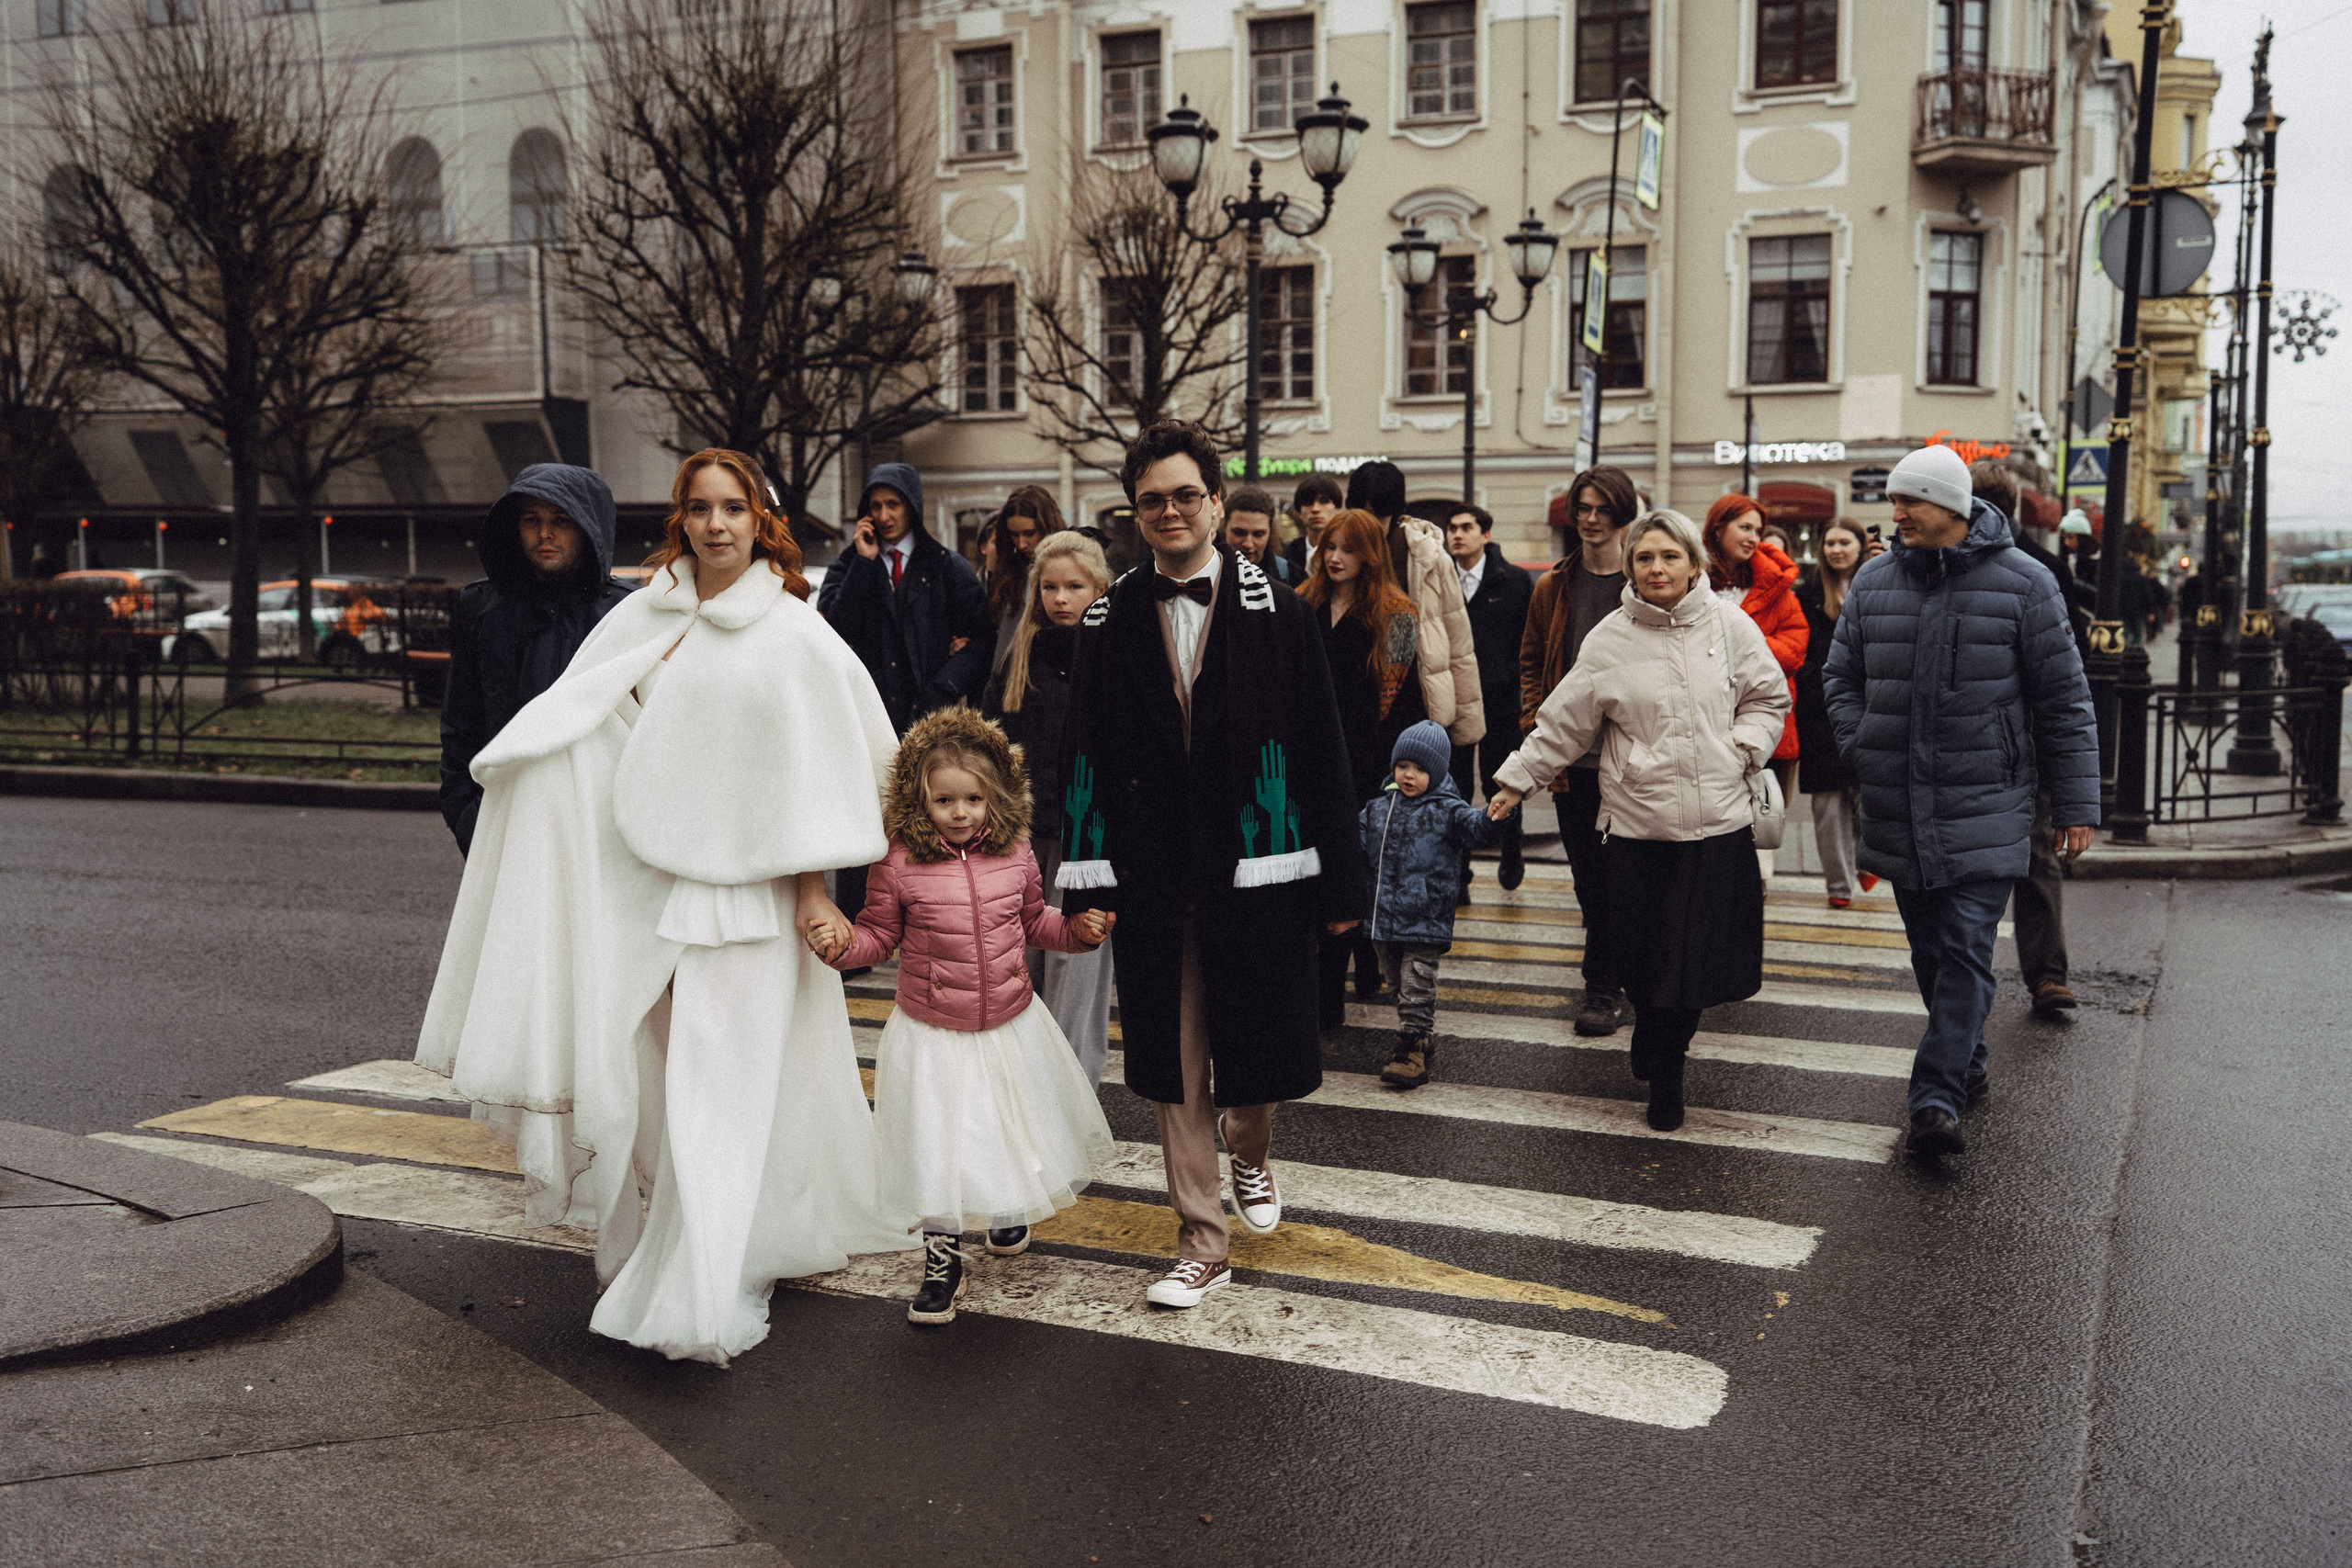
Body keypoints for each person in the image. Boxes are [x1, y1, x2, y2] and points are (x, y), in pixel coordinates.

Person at [416, 448, 912, 1364]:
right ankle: (703, 1237)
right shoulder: (639, 618)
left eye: (733, 508)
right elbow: (582, 728)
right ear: (678, 518)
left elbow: (835, 770)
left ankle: (711, 1260)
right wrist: (514, 774)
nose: (715, 524)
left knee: (730, 1081)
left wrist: (813, 891)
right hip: (652, 893)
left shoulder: (795, 631)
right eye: (698, 507)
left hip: (758, 905)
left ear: (758, 520)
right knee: (669, 1077)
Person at [1057, 420, 1368, 1310]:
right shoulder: (1108, 617)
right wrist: (1086, 878)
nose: (1169, 511)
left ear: (1217, 501)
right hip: (1157, 880)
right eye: (1151, 499)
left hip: (1260, 869)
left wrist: (1343, 885)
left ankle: (1251, 1146)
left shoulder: (1285, 612)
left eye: (1184, 495)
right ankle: (1201, 1238)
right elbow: (1082, 751)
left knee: (1259, 1057)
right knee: (1174, 1058)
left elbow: (1322, 751)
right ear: (1134, 512)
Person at [1823, 444, 2100, 1159]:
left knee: (1968, 948)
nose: (1897, 514)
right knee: (1930, 952)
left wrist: (2076, 803)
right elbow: (1840, 676)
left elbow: (2065, 701)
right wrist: (1861, 744)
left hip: (1990, 799)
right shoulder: (1876, 582)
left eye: (1908, 501)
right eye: (1894, 501)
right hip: (1897, 801)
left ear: (1950, 504)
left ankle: (1934, 1098)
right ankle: (1967, 1059)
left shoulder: (2027, 583)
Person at [809, 706, 1114, 1325]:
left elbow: (1035, 922)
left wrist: (1078, 932)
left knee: (1008, 1125)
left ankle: (1008, 1210)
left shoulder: (1017, 851)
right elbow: (878, 934)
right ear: (918, 800)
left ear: (995, 795)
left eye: (973, 797)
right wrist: (843, 946)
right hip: (931, 1029)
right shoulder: (897, 862)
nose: (959, 811)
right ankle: (941, 1258)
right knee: (937, 1144)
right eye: (943, 799)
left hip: (1010, 1021)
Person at [1489, 508, 1789, 1132]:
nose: (1657, 568)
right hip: (1636, 828)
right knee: (1649, 960)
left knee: (1694, 965)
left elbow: (1768, 698)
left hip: (1716, 826)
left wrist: (1743, 748)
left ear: (1693, 563)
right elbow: (1563, 722)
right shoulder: (1609, 638)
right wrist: (1516, 780)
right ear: (1632, 567)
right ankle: (1652, 1034)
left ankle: (1668, 1067)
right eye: (1645, 558)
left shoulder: (1730, 627)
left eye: (1669, 556)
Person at [817, 461, 995, 934]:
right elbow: (832, 629)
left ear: (912, 506)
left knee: (930, 825)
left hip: (929, 721)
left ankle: (930, 930)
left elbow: (981, 639)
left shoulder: (945, 566)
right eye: (875, 505)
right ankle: (861, 932)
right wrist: (863, 563)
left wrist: (944, 688)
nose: (884, 514)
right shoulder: (851, 561)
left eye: (893, 503)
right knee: (864, 824)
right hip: (866, 718)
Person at [438, 464, 636, 854]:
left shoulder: (627, 613)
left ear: (587, 525)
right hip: (499, 815)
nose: (545, 534)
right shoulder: (481, 607)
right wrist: (467, 815)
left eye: (562, 520)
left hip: (595, 827)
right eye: (532, 520)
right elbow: (461, 723)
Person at [983, 530, 1118, 1084]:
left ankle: (1074, 1092)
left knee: (1079, 966)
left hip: (1089, 839)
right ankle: (1030, 1088)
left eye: (1075, 587)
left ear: (1100, 588)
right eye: (1050, 587)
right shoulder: (1021, 656)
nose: (1061, 598)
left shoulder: (1118, 654)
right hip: (1023, 835)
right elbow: (989, 743)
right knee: (1024, 963)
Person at [1519, 466, 1637, 1037]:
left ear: (1621, 514)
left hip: (1633, 759)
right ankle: (1614, 970)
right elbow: (1533, 660)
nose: (1590, 520)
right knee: (1590, 877)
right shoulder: (1554, 587)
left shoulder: (1642, 583)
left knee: (1624, 875)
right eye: (1582, 510)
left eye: (1600, 510)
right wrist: (1534, 729)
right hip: (1573, 761)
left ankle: (1603, 986)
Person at [1304, 506, 1427, 1017]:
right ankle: (1323, 996)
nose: (1335, 558)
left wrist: (1398, 772)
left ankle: (1353, 975)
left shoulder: (1395, 614)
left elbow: (1402, 701)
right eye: (1329, 547)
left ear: (1370, 554)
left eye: (1348, 549)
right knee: (1317, 874)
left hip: (1367, 762)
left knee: (1354, 872)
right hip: (1309, 757)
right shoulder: (1303, 603)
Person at [1971, 460, 2079, 1015]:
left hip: (1993, 746)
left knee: (1982, 869)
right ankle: (2045, 975)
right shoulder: (2049, 567)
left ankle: (1974, 982)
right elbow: (2068, 681)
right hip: (2026, 745)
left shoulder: (2033, 571)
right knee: (2036, 860)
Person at [1360, 718, 1517, 1089]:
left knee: (1417, 983)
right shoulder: (1378, 807)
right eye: (1402, 767)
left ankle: (1411, 1046)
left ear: (1438, 772)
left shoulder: (1448, 810)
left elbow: (1478, 829)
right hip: (1383, 920)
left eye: (1419, 769)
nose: (1409, 775)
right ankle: (1418, 1032)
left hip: (1426, 919)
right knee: (1396, 980)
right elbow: (1356, 844)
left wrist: (1498, 815)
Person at [1344, 459, 1486, 757]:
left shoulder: (1429, 559)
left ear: (1394, 512)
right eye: (1363, 512)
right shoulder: (1337, 554)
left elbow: (1459, 642)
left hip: (1415, 702)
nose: (1370, 522)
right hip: (1354, 701)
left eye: (1378, 513)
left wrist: (1466, 727)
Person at [1703, 493, 1807, 888]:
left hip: (1763, 725)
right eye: (1744, 528)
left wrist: (1743, 646)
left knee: (1761, 820)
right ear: (1718, 528)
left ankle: (1754, 888)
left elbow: (1796, 649)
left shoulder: (1776, 587)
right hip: (1707, 720)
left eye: (1758, 531)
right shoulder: (1693, 580)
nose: (1754, 538)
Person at [1442, 501, 1534, 894]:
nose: (1457, 535)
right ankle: (1460, 872)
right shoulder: (1443, 580)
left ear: (1485, 535)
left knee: (1502, 782)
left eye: (1466, 527)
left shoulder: (1512, 580)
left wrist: (1512, 682)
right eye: (1452, 529)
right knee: (1457, 787)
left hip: (1500, 702)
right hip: (1458, 701)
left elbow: (1527, 641)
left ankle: (1511, 852)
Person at [1792, 517, 1876, 908]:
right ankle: (1838, 886)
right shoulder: (1807, 593)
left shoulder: (1878, 584)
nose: (1836, 550)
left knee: (1870, 798)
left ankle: (1868, 859)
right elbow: (1801, 649)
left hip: (1868, 708)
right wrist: (1814, 680)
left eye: (1845, 542)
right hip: (1819, 712)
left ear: (1860, 546)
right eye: (1830, 543)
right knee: (1827, 806)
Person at [982, 485, 1065, 674]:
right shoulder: (1008, 569)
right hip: (1005, 680)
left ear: (1047, 527)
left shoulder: (1067, 566)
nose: (1021, 544)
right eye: (1014, 535)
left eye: (1029, 533)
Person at [1222, 485, 1292, 581]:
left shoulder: (1288, 575)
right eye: (1239, 533)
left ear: (1270, 532)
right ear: (1225, 527)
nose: (1248, 544)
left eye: (1258, 535)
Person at [1283, 472, 1343, 580]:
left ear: (1337, 509)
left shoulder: (1347, 552)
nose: (1315, 509)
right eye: (1308, 503)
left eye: (1324, 501)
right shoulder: (1287, 554)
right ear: (1299, 512)